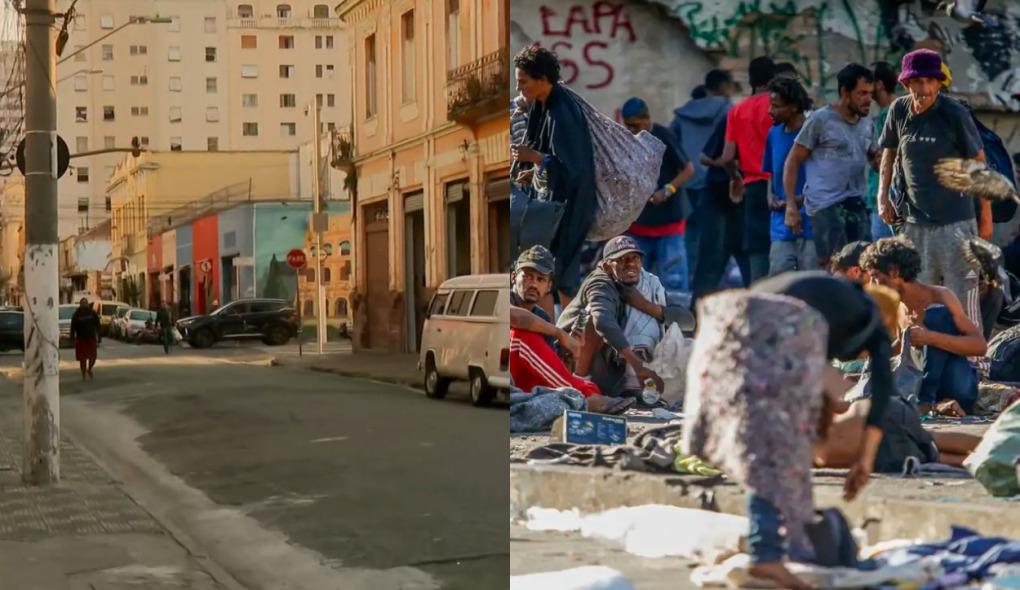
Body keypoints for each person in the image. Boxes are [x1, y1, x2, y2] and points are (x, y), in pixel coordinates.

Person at [684, 272, 893, 589]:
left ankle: (772, 545)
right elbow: (882, 395)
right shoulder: (872, 321)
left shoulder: (830, 298)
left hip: (726, 320)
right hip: (773, 325)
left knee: (759, 445)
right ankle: (767, 555)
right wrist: (864, 462)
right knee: (775, 449)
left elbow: (815, 395)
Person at [877, 49, 990, 336]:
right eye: (919, 82)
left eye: (931, 82)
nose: (925, 89)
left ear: (940, 83)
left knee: (963, 297)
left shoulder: (954, 113)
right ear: (906, 84)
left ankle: (973, 364)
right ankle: (915, 361)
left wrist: (985, 219)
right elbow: (889, 155)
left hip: (957, 224)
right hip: (914, 225)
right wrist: (882, 195)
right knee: (914, 295)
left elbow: (979, 165)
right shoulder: (899, 111)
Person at [860, 237, 987, 416]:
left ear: (894, 272)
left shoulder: (939, 296)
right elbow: (899, 351)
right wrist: (867, 374)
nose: (872, 285)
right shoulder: (897, 307)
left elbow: (979, 346)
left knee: (936, 316)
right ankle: (931, 404)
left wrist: (931, 337)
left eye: (875, 278)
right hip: (919, 386)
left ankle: (926, 403)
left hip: (958, 385)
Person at [512, 45, 597, 308]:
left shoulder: (563, 113)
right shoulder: (541, 104)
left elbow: (575, 169)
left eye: (523, 83)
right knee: (544, 269)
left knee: (562, 275)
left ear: (542, 80)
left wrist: (535, 159)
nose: (519, 90)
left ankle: (572, 336)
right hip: (554, 204)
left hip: (573, 206)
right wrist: (533, 171)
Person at [508, 246, 634, 414]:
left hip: (524, 383)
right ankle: (584, 398)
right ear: (514, 277)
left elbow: (551, 372)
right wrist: (560, 334)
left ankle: (584, 396)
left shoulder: (542, 318)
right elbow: (516, 318)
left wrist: (569, 354)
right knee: (521, 335)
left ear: (548, 286)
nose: (533, 284)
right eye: (528, 277)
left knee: (591, 386)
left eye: (540, 279)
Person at [784, 63, 878, 269]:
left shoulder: (867, 123)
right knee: (836, 266)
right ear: (845, 92)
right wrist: (791, 205)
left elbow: (875, 159)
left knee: (864, 265)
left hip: (856, 203)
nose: (868, 99)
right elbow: (793, 160)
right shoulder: (821, 119)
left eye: (870, 94)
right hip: (826, 205)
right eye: (862, 93)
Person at [557, 236, 668, 398]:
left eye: (635, 258)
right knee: (589, 318)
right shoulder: (600, 283)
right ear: (607, 266)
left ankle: (632, 386)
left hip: (610, 363)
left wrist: (647, 306)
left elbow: (686, 320)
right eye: (622, 260)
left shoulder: (648, 284)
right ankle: (578, 386)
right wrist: (638, 366)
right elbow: (602, 322)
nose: (630, 263)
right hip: (567, 360)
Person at [621, 97, 696, 293]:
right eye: (627, 126)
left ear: (646, 120)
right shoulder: (627, 140)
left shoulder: (664, 136)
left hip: (668, 229)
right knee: (635, 287)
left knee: (673, 285)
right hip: (638, 228)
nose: (631, 130)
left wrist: (667, 190)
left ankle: (675, 323)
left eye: (635, 125)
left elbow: (688, 169)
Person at [670, 69, 734, 282]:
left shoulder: (683, 113)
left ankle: (690, 284)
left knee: (691, 234)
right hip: (718, 179)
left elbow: (670, 143)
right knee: (718, 238)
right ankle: (716, 286)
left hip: (688, 179)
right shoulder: (728, 109)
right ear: (724, 86)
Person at [719, 57, 777, 282]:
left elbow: (726, 157)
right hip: (782, 186)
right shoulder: (779, 107)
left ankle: (760, 300)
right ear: (773, 78)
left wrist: (735, 177)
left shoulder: (737, 110)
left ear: (751, 80)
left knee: (758, 251)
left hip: (753, 189)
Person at [691, 114, 749, 304]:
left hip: (734, 199)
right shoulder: (737, 117)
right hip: (723, 197)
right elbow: (709, 157)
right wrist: (734, 170)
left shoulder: (740, 116)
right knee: (718, 261)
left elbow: (709, 157)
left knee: (715, 262)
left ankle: (698, 315)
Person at [761, 77, 816, 275]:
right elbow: (771, 172)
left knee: (811, 285)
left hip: (810, 225)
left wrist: (797, 201)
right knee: (779, 283)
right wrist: (770, 196)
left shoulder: (813, 133)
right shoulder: (773, 134)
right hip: (780, 226)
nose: (770, 111)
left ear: (793, 107)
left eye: (775, 106)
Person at [867, 61, 899, 240]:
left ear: (879, 84)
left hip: (886, 198)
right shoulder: (893, 110)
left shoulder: (888, 114)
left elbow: (884, 159)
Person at [70, 298, 101, 381]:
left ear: (87, 304)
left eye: (85, 303)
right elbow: (73, 328)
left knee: (93, 357)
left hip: (91, 338)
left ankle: (89, 369)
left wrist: (99, 337)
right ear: (80, 304)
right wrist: (72, 339)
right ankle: (83, 374)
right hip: (81, 339)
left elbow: (98, 325)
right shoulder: (76, 314)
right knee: (82, 359)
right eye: (82, 303)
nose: (84, 304)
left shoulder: (92, 313)